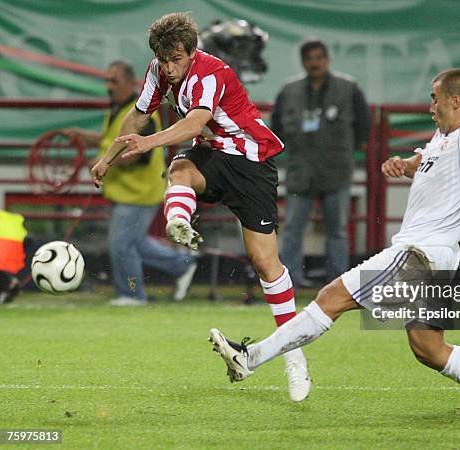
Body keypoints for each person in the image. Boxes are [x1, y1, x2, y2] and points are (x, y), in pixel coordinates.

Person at [209, 68, 460, 434]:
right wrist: (404, 164)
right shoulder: (444, 138)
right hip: (436, 258)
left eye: (435, 99)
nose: (430, 106)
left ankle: (250, 358)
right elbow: (428, 161)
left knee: (330, 298)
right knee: (428, 348)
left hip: (420, 253)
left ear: (457, 101)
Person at [90, 13, 310, 401]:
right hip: (212, 155)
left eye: (176, 59)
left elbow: (194, 123)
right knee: (180, 168)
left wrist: (148, 142)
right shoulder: (158, 70)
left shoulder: (210, 72)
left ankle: (295, 357)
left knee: (265, 263)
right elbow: (138, 114)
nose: (169, 68)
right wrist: (109, 157)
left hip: (251, 162)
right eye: (163, 59)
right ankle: (178, 220)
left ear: (192, 52)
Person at [66, 61, 198, 306]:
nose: (108, 86)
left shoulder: (142, 116)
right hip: (128, 192)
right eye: (106, 80)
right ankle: (184, 264)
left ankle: (132, 294)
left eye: (114, 81)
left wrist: (104, 162)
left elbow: (136, 154)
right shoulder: (118, 109)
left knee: (121, 245)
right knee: (134, 242)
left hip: (139, 193)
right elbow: (112, 141)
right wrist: (86, 137)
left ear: (130, 83)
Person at [271, 39, 371, 287]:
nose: (314, 63)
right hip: (300, 171)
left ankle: (338, 284)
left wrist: (344, 151)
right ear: (303, 62)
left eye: (319, 58)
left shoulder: (349, 88)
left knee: (337, 230)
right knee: (293, 229)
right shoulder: (288, 90)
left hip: (336, 170)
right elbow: (276, 129)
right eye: (309, 59)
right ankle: (289, 281)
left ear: (327, 59)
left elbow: (364, 127)